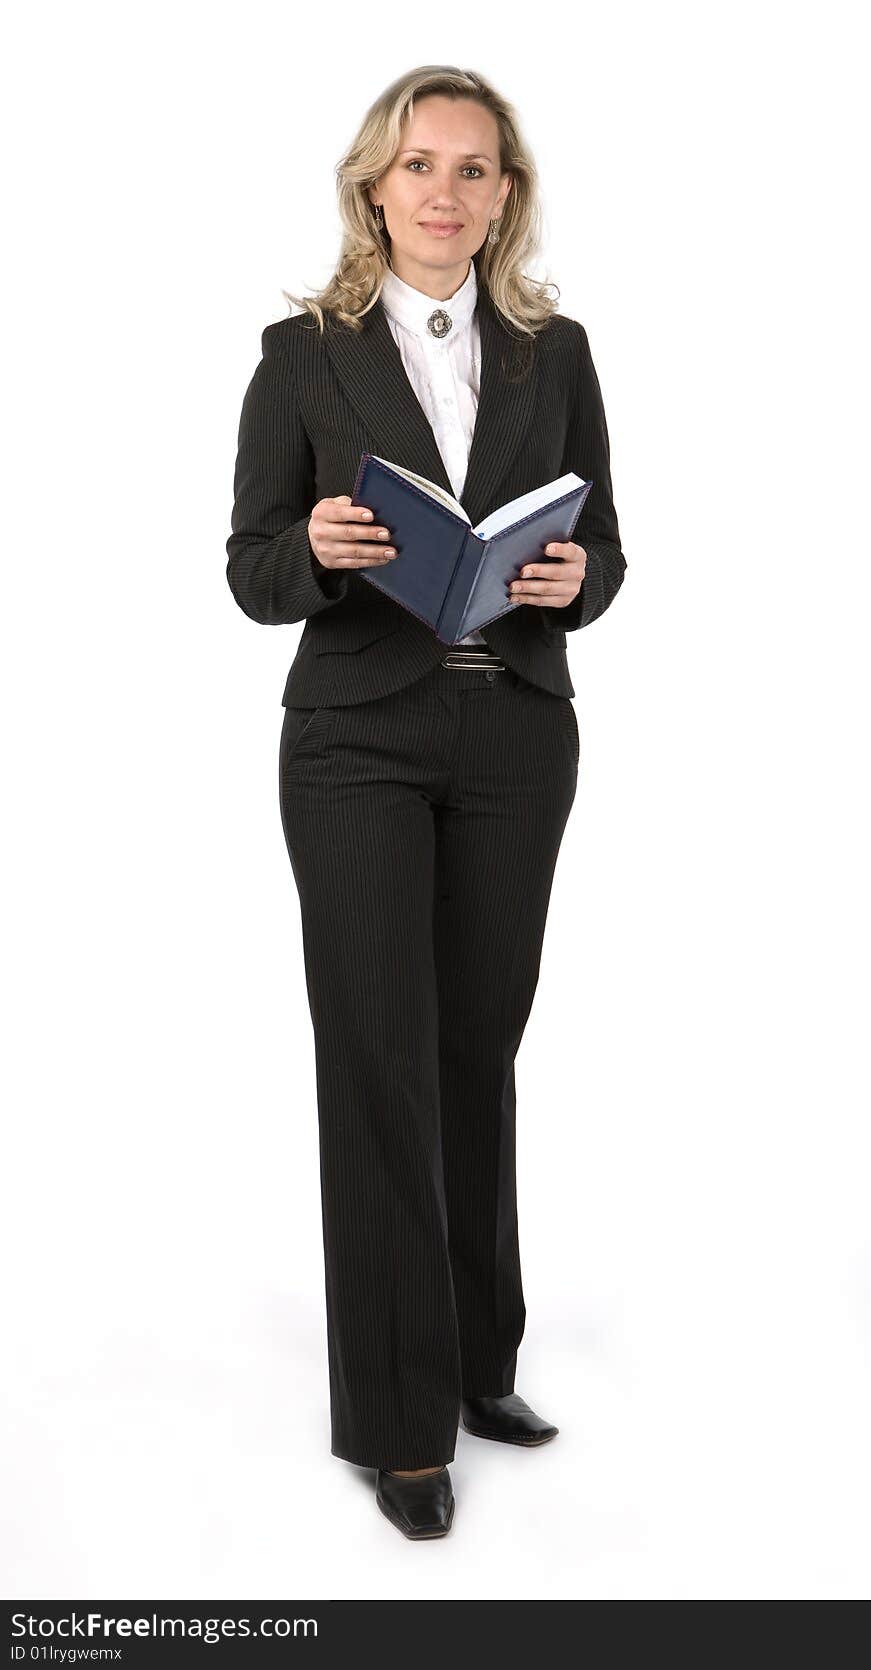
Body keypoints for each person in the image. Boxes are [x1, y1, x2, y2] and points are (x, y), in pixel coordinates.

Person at [226, 65, 627, 1541]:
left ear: (504, 195)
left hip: (515, 733)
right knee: (379, 1057)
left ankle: (480, 1366)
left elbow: (610, 549)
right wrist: (322, 549)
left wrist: (579, 578)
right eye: (420, 167)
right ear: (373, 188)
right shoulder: (303, 356)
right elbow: (252, 565)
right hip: (359, 741)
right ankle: (399, 1423)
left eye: (474, 169)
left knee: (478, 1048)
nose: (445, 193)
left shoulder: (556, 350)